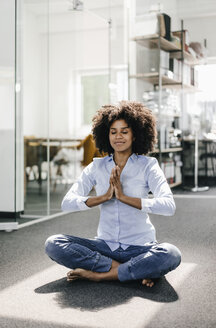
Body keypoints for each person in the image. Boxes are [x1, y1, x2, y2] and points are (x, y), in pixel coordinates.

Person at [45, 101, 181, 288]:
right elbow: (67, 203)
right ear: (106, 135)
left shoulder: (148, 165)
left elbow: (169, 206)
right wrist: (104, 197)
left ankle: (101, 275)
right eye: (113, 131)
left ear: (135, 135)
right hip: (104, 247)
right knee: (53, 243)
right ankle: (133, 270)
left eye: (124, 131)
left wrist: (125, 198)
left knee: (171, 253)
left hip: (140, 247)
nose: (118, 137)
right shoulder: (96, 167)